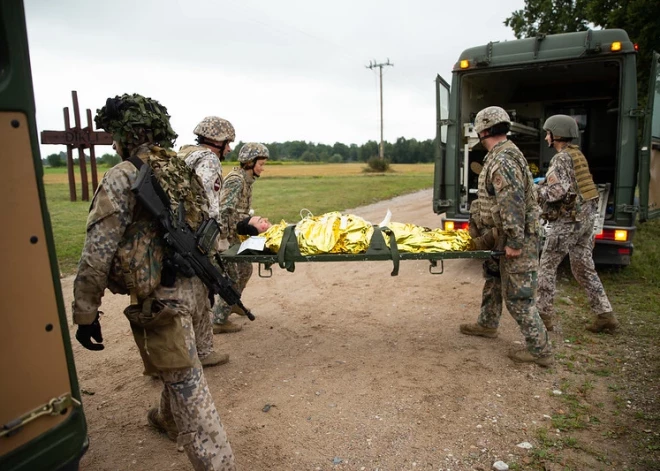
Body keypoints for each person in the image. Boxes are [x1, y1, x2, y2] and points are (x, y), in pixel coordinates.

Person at [72, 93, 236, 470]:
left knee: (191, 396)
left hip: (164, 301)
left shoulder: (122, 175)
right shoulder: (179, 167)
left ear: (127, 134)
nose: (112, 142)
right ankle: (164, 418)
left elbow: (97, 252)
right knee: (178, 371)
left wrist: (85, 313)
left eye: (115, 134)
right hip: (194, 287)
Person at [458, 106, 553, 367]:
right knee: (494, 277)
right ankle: (487, 323)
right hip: (499, 235)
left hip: (514, 237)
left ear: (484, 130)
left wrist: (514, 241)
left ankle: (540, 350)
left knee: (519, 297)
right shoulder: (501, 154)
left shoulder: (503, 160)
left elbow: (512, 202)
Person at [536, 114, 619, 333]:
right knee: (583, 267)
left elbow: (557, 192)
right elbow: (574, 185)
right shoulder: (577, 155)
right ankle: (605, 315)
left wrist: (536, 191)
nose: (546, 137)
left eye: (548, 133)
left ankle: (542, 316)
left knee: (546, 265)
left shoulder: (561, 158)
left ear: (557, 134)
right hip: (585, 220)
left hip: (569, 221)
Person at [212, 143, 269, 334]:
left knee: (245, 268)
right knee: (233, 276)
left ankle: (232, 303)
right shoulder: (236, 180)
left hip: (235, 235)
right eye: (261, 163)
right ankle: (218, 320)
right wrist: (223, 240)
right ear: (250, 163)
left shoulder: (246, 180)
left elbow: (238, 212)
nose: (263, 167)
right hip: (225, 238)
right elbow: (223, 211)